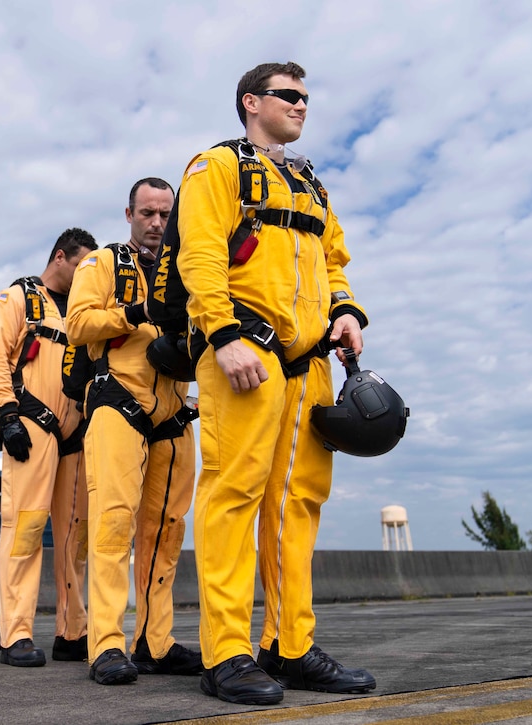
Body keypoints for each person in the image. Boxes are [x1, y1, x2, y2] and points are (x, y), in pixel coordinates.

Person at [177, 61, 375, 705]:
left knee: (299, 504)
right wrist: (222, 335)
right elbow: (200, 253)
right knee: (233, 494)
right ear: (250, 101)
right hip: (246, 353)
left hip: (310, 362)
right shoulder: (217, 166)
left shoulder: (311, 184)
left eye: (306, 98)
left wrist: (344, 310)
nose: (302, 106)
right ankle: (227, 652)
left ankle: (289, 646)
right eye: (289, 96)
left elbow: (333, 258)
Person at [67, 179, 201, 685]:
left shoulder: (186, 268)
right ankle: (105, 644)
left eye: (166, 213)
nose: (157, 222)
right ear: (129, 214)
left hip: (173, 411)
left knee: (167, 528)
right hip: (117, 401)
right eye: (147, 212)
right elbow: (77, 324)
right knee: (113, 523)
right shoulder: (102, 264)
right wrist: (140, 312)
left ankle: (154, 641)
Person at [0, 228, 97, 667]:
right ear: (61, 257)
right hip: (31, 422)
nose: (90, 275)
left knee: (74, 537)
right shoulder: (17, 299)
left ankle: (72, 631)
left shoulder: (84, 309)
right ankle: (17, 635)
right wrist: (7, 414)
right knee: (26, 528)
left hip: (77, 433)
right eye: (84, 266)